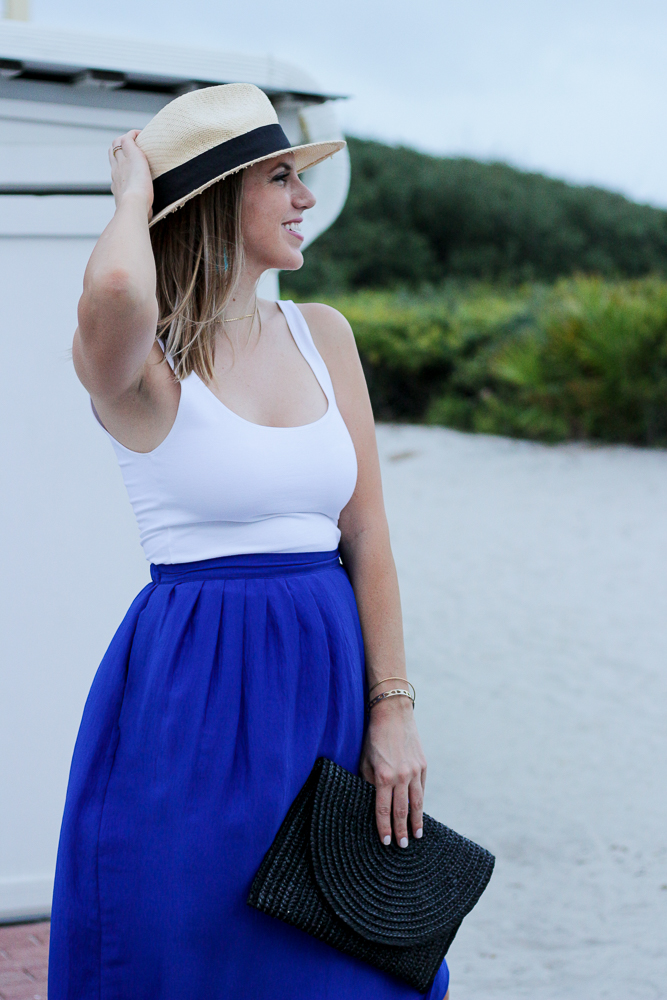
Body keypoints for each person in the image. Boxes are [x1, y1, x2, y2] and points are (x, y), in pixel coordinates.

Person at [47, 83, 450, 1000]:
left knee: (349, 959)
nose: (305, 197)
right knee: (188, 956)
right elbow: (116, 282)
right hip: (191, 706)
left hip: (329, 699)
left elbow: (368, 533)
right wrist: (133, 198)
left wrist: (392, 707)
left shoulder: (324, 336)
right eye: (279, 177)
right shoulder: (139, 367)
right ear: (218, 198)